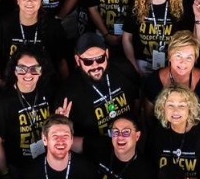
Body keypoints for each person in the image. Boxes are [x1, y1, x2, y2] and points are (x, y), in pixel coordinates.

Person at [60, 33, 140, 162]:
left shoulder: (124, 69)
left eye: (100, 59)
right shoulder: (68, 92)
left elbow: (137, 103)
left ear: (107, 54)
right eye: (88, 61)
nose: (95, 66)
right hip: (95, 157)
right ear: (77, 60)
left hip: (130, 148)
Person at [0, 48, 55, 179]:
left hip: (47, 161)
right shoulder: (3, 102)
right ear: (14, 70)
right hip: (18, 168)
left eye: (34, 69)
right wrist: (4, 174)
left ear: (41, 71)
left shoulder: (48, 92)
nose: (28, 74)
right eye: (22, 69)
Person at [0, 0, 68, 86]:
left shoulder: (52, 26)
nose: (29, 2)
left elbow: (61, 61)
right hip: (11, 84)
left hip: (44, 85)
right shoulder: (4, 24)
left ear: (41, 1)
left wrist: (65, 87)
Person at [122, 0, 190, 77]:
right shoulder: (137, 7)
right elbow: (127, 37)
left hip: (171, 68)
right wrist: (134, 67)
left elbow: (187, 42)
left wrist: (176, 68)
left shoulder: (180, 8)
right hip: (143, 66)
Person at [148, 85, 200, 179]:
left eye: (182, 106)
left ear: (190, 109)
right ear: (163, 108)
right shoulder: (156, 134)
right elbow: (150, 169)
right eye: (170, 105)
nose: (175, 111)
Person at [144, 30, 200, 129]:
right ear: (169, 56)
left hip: (196, 135)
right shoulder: (154, 80)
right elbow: (148, 119)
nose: (183, 62)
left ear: (195, 60)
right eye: (178, 56)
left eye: (189, 57)